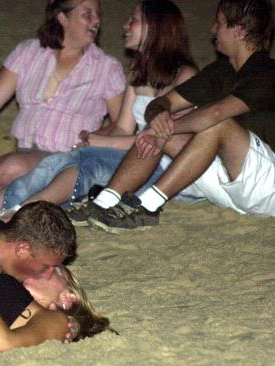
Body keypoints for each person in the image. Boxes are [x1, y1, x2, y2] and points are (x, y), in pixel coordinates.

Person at [0, 0, 199, 222]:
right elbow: (123, 126)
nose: (124, 25)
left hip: (163, 165)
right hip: (135, 154)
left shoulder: (185, 75)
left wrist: (98, 141)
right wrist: (96, 142)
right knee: (63, 162)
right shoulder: (137, 72)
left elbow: (166, 140)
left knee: (78, 166)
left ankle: (20, 210)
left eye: (133, 20)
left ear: (154, 27)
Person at [75, 0, 275, 233]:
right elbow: (162, 102)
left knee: (217, 125)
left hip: (267, 187)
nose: (213, 30)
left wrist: (165, 128)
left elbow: (217, 113)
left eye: (219, 23)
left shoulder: (268, 72)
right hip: (228, 188)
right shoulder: (220, 71)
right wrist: (158, 117)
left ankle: (147, 207)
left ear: (238, 31)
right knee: (158, 135)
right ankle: (104, 202)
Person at [0, 0, 125, 204]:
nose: (96, 20)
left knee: (10, 166)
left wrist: (96, 138)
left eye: (98, 14)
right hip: (17, 147)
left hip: (60, 158)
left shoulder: (106, 67)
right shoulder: (29, 52)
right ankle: (0, 189)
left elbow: (122, 124)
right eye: (87, 14)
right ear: (63, 18)